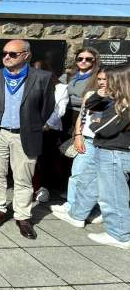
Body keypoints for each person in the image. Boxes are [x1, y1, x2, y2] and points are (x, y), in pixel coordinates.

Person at [0, 39, 54, 239]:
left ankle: (22, 216)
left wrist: (32, 125)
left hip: (25, 134)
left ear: (26, 55)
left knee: (23, 178)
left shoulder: (42, 78)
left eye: (13, 54)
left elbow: (47, 108)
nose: (6, 57)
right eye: (4, 53)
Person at [57, 64, 130, 249]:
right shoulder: (115, 98)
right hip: (104, 149)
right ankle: (77, 215)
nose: (106, 83)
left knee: (112, 195)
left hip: (115, 153)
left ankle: (120, 235)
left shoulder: (125, 104)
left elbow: (102, 128)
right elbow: (90, 106)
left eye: (110, 80)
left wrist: (97, 123)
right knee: (88, 183)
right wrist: (101, 94)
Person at [51, 69, 107, 226]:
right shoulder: (90, 95)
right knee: (77, 174)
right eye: (100, 79)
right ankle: (72, 205)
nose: (103, 82)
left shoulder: (119, 98)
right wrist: (78, 136)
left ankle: (93, 209)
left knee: (99, 178)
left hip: (105, 143)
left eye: (106, 79)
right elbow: (82, 117)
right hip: (87, 139)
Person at [30, 60, 69, 203]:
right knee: (31, 159)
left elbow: (59, 110)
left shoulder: (61, 88)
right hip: (31, 128)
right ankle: (32, 186)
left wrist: (46, 125)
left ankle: (43, 187)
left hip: (49, 130)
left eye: (40, 70)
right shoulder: (31, 84)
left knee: (44, 159)